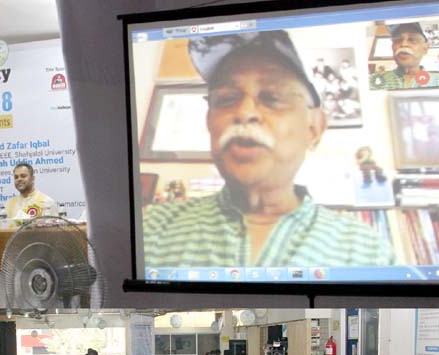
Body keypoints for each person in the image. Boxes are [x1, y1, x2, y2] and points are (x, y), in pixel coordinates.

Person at [143, 30, 394, 268]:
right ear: (209, 121)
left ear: (314, 129)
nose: (244, 113)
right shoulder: (151, 228)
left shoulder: (368, 253)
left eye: (273, 97)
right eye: (227, 98)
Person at [369, 22, 439, 90]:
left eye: (412, 40)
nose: (404, 44)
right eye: (398, 40)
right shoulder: (372, 81)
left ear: (425, 49)